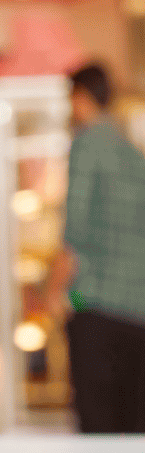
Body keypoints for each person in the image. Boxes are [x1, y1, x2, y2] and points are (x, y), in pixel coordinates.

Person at [45, 64, 145, 432]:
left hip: (96, 305)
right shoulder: (133, 152)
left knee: (97, 427)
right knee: (134, 427)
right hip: (139, 310)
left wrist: (54, 292)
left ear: (81, 98)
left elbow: (77, 231)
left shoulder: (86, 143)